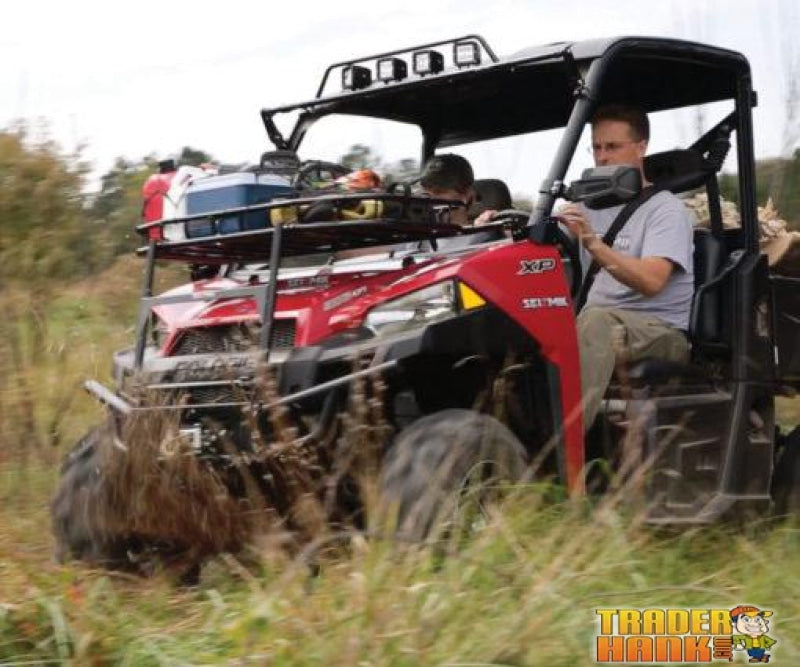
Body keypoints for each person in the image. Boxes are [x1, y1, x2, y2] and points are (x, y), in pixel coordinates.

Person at [558, 104, 695, 430]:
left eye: (613, 147)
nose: (602, 157)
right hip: (598, 324)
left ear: (641, 147)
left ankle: (564, 445)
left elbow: (652, 281)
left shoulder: (666, 210)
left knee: (595, 322)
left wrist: (593, 242)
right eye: (596, 148)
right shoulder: (585, 207)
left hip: (660, 330)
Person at [419, 153, 496, 226]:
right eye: (426, 194)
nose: (430, 199)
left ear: (467, 194)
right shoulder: (418, 233)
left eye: (438, 192)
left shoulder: (488, 232)